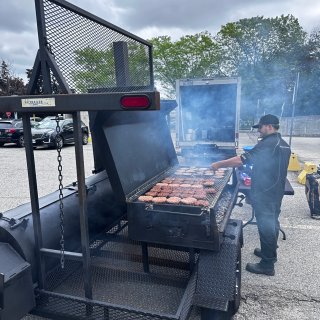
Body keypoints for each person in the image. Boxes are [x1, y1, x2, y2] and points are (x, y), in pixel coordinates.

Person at [211, 114, 291, 276]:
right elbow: (269, 165)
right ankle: (269, 252)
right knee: (272, 222)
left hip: (266, 192)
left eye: (260, 128)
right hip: (275, 191)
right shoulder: (282, 144)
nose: (258, 131)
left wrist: (218, 164)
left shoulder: (268, 144)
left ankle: (267, 265)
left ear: (269, 126)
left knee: (266, 225)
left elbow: (241, 160)